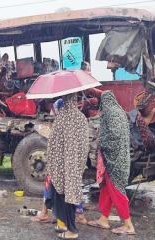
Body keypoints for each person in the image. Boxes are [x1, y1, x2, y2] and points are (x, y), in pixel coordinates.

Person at [88, 91, 136, 235]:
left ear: (104, 102)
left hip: (115, 162)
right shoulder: (120, 112)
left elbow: (112, 136)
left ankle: (128, 225)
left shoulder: (109, 113)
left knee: (117, 192)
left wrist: (100, 142)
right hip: (119, 159)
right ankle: (103, 219)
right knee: (106, 189)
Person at [46, 93, 89, 239]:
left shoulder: (63, 117)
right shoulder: (81, 117)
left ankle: (72, 231)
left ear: (65, 100)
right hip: (75, 166)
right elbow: (84, 144)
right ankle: (66, 226)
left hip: (63, 167)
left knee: (64, 197)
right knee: (71, 196)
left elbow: (54, 142)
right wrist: (78, 163)